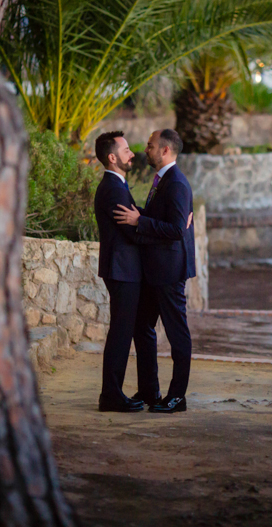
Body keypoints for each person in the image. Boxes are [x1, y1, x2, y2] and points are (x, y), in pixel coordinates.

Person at [93, 131, 188, 412]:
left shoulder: (121, 185)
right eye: (126, 151)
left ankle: (146, 391)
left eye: (147, 146)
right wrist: (169, 229)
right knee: (122, 333)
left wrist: (174, 226)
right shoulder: (113, 188)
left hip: (130, 271)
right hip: (122, 270)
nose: (134, 152)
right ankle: (111, 394)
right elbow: (132, 233)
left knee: (134, 330)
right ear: (112, 158)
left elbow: (137, 220)